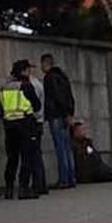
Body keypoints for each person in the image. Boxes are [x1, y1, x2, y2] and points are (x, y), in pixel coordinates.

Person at [0, 60, 42, 200]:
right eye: (28, 70)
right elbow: (37, 105)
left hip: (9, 126)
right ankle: (24, 189)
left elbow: (2, 108)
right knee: (26, 157)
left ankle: (9, 189)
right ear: (23, 71)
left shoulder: (4, 87)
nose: (30, 72)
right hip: (25, 124)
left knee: (12, 158)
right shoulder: (26, 86)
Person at [41, 53, 76, 189]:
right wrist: (69, 113)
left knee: (60, 147)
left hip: (56, 114)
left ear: (45, 63)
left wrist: (60, 112)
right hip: (65, 114)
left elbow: (56, 97)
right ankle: (71, 177)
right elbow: (69, 97)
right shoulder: (63, 77)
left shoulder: (49, 78)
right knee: (67, 147)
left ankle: (64, 179)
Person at [28, 66, 48, 195]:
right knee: (37, 154)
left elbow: (34, 105)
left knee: (34, 155)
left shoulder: (33, 85)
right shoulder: (38, 83)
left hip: (34, 122)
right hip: (38, 121)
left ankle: (38, 184)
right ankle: (41, 183)